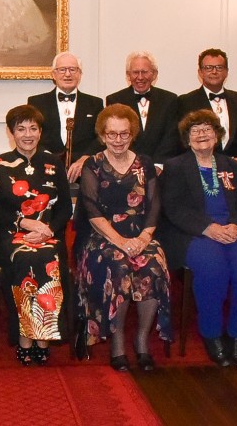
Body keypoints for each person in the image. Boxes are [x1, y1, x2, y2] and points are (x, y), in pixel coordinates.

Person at [160, 109, 237, 367]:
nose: (201, 134)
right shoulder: (176, 167)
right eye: (195, 130)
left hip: (235, 232)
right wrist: (208, 228)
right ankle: (212, 334)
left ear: (217, 135)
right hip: (195, 234)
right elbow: (173, 208)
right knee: (213, 270)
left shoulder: (233, 166)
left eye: (207, 129)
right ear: (186, 138)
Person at [77, 105, 172, 372]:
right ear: (102, 135)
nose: (118, 140)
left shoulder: (145, 164)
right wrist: (120, 241)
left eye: (124, 134)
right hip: (103, 236)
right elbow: (91, 209)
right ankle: (117, 341)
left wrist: (143, 238)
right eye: (112, 135)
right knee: (118, 267)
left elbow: (154, 206)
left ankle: (142, 338)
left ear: (132, 134)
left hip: (141, 235)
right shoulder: (92, 164)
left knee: (153, 267)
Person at [0, 104, 72, 366]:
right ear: (11, 133)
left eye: (33, 128)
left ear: (40, 132)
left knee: (47, 256)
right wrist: (24, 223)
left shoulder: (54, 163)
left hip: (49, 235)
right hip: (8, 236)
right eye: (21, 129)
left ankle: (43, 337)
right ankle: (24, 336)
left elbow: (64, 207)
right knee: (23, 257)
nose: (27, 134)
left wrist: (48, 230)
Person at [28, 52, 104, 182]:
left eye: (72, 69)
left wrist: (86, 158)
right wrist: (48, 158)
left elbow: (101, 136)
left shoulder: (95, 103)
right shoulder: (36, 102)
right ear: (54, 74)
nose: (67, 74)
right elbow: (31, 135)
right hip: (44, 170)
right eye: (62, 69)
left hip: (85, 173)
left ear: (80, 74)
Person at [177, 48, 237, 168]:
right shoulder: (185, 101)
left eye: (219, 67)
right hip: (200, 168)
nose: (214, 71)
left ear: (226, 71)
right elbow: (182, 138)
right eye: (208, 68)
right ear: (200, 72)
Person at [105, 51, 179, 168]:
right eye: (135, 72)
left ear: (154, 74)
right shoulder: (114, 100)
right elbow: (116, 137)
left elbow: (171, 136)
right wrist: (133, 164)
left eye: (144, 72)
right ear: (128, 75)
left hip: (162, 169)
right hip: (126, 168)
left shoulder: (170, 99)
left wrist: (158, 165)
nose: (140, 77)